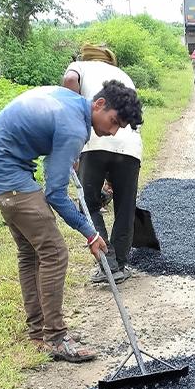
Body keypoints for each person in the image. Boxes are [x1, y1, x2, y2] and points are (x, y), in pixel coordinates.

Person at [0, 81, 142, 362]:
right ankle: (55, 337)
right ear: (99, 105)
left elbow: (48, 147)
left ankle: (39, 332)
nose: (112, 131)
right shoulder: (73, 127)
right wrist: (90, 233)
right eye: (113, 122)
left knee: (30, 253)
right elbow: (55, 194)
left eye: (119, 128)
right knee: (53, 252)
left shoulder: (73, 104)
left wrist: (66, 158)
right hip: (7, 175)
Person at [62, 44, 143, 285]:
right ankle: (118, 264)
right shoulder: (124, 76)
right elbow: (135, 116)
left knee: (88, 204)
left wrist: (70, 112)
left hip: (94, 139)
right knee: (125, 206)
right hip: (129, 145)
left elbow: (68, 79)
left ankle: (108, 264)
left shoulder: (79, 66)